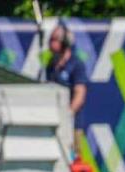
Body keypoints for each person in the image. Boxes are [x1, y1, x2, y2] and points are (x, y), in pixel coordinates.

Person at [45, 23, 87, 158]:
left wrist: (68, 114)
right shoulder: (51, 64)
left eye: (54, 39)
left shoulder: (76, 64)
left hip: (72, 123)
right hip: (54, 121)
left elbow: (80, 94)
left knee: (73, 160)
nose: (50, 44)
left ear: (65, 42)